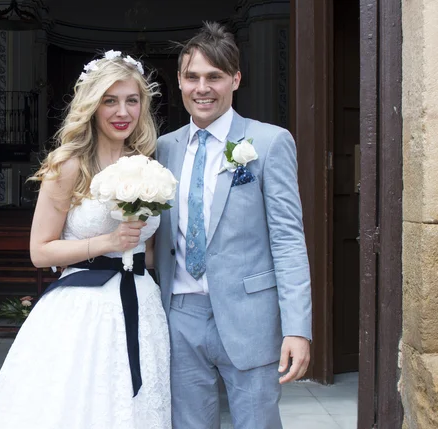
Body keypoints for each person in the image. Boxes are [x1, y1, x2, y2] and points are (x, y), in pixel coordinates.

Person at [0, 51, 171, 429]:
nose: (122, 112)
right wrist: (108, 243)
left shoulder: (150, 165)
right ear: (92, 105)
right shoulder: (67, 166)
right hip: (83, 309)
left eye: (132, 101)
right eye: (110, 100)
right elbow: (40, 251)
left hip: (141, 303)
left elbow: (148, 252)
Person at [154, 22, 312, 429]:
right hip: (180, 313)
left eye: (214, 77)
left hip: (251, 317)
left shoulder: (269, 142)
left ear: (235, 79)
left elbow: (288, 240)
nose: (202, 88)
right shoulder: (163, 148)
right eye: (192, 77)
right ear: (179, 81)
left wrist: (297, 329)